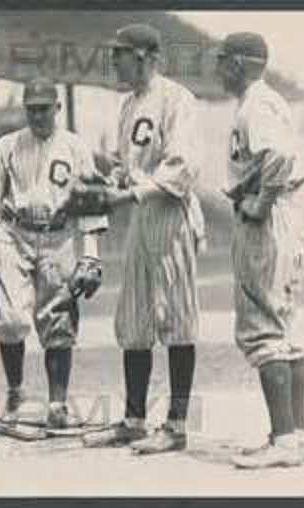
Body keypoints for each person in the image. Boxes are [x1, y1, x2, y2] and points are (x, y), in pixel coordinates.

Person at [81, 23, 204, 455]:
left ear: (144, 56)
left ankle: (176, 425)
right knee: (134, 319)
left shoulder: (177, 98)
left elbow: (183, 168)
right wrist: (109, 180)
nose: (113, 60)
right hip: (141, 214)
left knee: (177, 318)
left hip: (171, 212)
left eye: (119, 53)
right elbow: (127, 164)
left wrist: (128, 193)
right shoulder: (129, 104)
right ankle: (134, 421)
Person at [0, 77, 108, 433]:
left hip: (59, 236)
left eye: (44, 108)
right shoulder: (7, 146)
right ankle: (15, 395)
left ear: (58, 107)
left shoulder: (75, 147)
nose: (38, 115)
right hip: (15, 233)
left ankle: (57, 406)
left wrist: (91, 256)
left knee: (59, 319)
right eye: (32, 109)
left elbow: (92, 204)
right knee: (9, 319)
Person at [215, 32, 304, 469]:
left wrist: (260, 202)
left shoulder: (256, 105)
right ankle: (294, 436)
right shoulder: (267, 101)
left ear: (236, 63)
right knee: (286, 328)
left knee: (262, 329)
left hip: (265, 222)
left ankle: (284, 441)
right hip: (284, 220)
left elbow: (280, 157)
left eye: (221, 61)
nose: (217, 69)